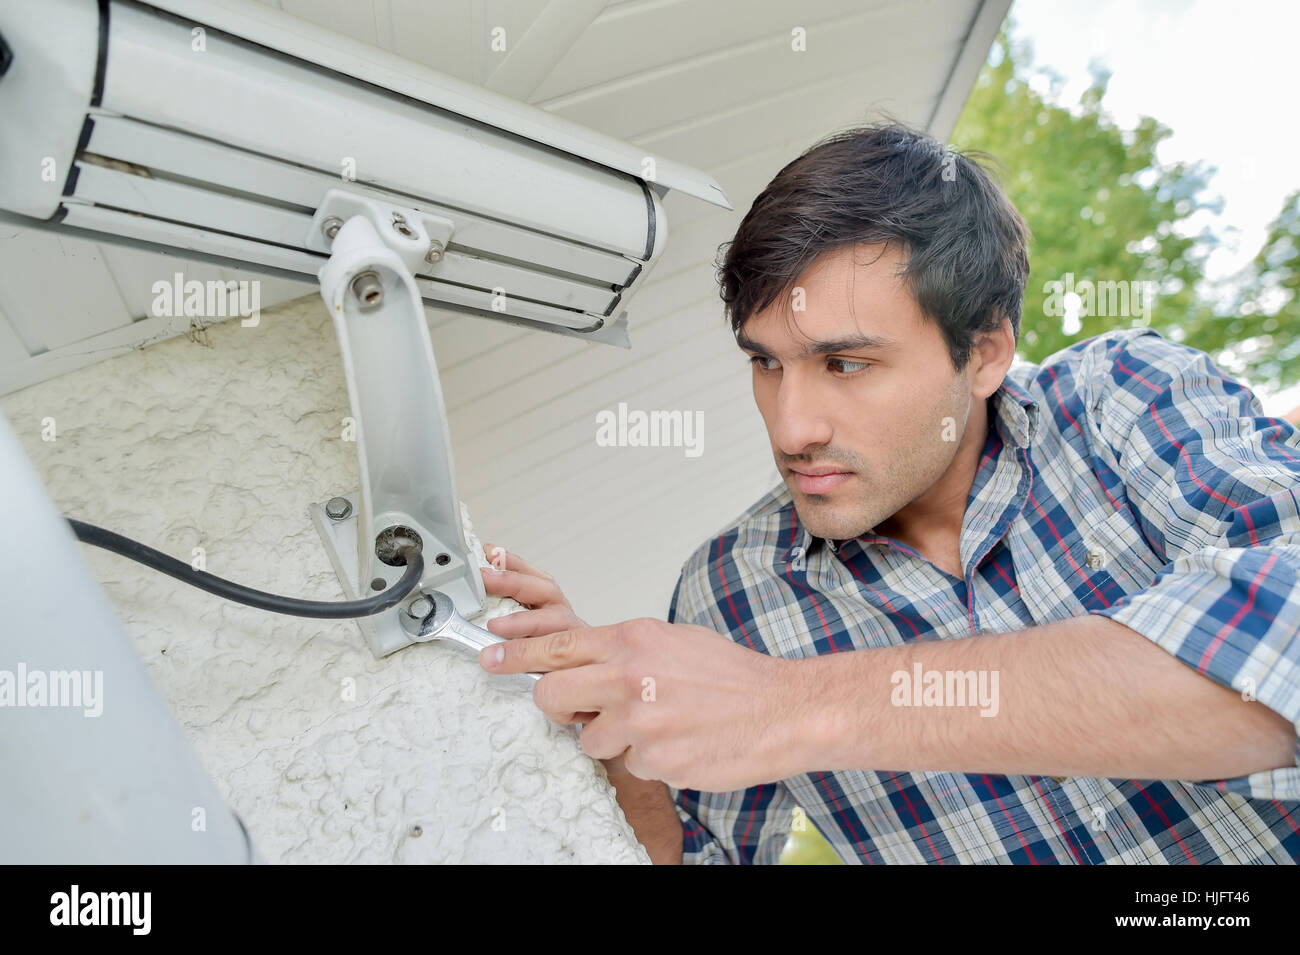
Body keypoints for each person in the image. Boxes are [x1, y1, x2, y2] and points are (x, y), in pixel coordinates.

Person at [476, 121, 1300, 864]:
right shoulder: (729, 594)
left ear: (983, 353)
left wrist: (788, 704)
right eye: (765, 362)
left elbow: (1280, 653)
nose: (791, 426)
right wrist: (612, 718)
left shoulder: (1123, 397)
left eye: (846, 364)